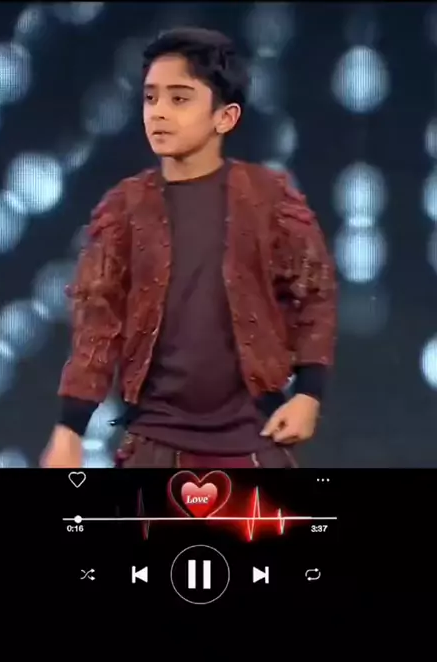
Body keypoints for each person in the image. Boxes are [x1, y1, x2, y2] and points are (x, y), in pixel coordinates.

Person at [41, 27, 337, 469]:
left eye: (179, 99)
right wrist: (70, 430)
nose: (159, 112)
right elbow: (97, 323)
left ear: (225, 117)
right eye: (150, 98)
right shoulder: (124, 207)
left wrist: (309, 394)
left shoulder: (269, 198)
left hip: (255, 436)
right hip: (154, 440)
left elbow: (313, 294)